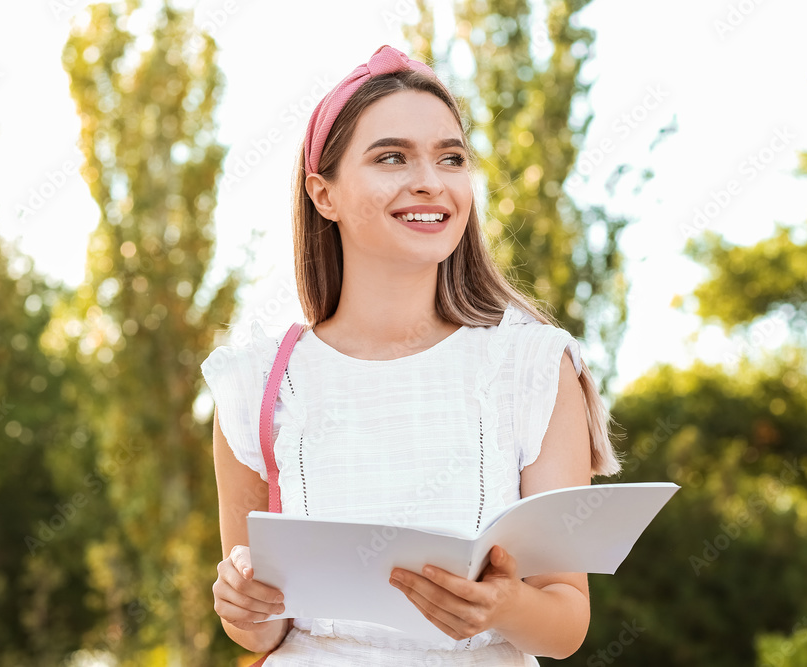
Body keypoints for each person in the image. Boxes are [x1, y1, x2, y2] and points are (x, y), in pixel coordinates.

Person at [201, 44, 623, 666]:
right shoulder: (255, 383)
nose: (430, 179)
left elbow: (566, 623)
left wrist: (503, 608)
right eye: (392, 156)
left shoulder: (533, 366)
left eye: (450, 158)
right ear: (324, 194)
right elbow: (264, 631)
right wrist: (242, 606)